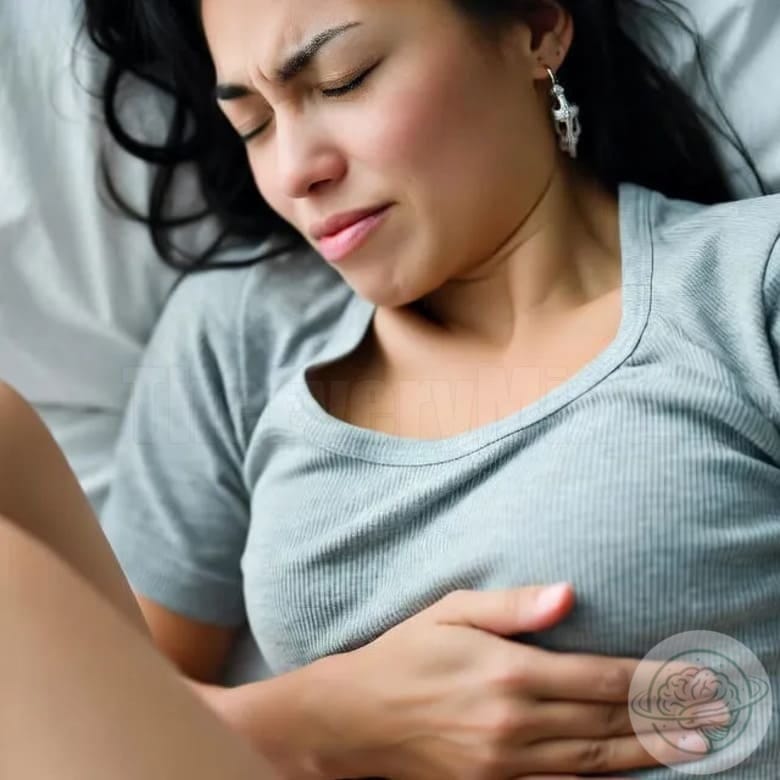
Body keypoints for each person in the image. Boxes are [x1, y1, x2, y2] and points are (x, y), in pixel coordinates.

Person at [2, 0, 777, 777]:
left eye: (344, 79)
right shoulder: (241, 337)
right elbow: (99, 721)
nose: (294, 171)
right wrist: (329, 721)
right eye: (253, 126)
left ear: (537, 28)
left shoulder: (748, 285)